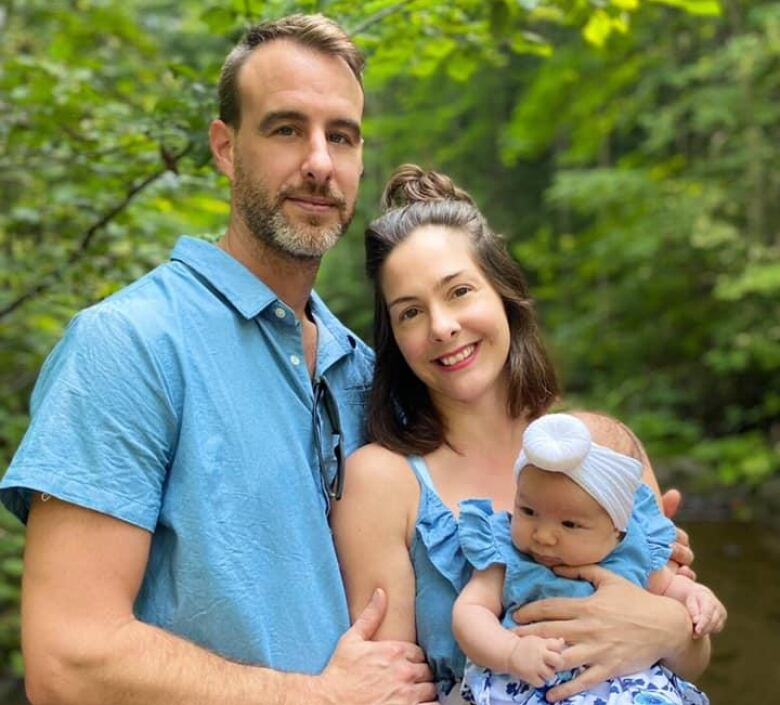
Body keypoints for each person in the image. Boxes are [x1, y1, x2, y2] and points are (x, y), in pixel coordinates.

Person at [1, 15, 437, 705]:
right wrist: (317, 697)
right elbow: (68, 657)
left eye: (342, 136)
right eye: (287, 128)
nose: (320, 161)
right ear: (226, 148)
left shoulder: (368, 373)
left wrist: (642, 581)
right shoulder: (129, 344)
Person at [331, 165, 709, 705]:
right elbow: (389, 690)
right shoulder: (381, 481)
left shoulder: (604, 449)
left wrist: (670, 628)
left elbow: (692, 659)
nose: (441, 326)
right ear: (395, 337)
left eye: (459, 291)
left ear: (503, 292)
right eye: (411, 312)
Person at [452, 412, 726, 705]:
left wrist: (698, 597)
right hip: (533, 684)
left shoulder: (634, 552)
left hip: (627, 687)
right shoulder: (508, 554)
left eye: (569, 524)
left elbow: (671, 590)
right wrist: (511, 652)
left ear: (617, 528)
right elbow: (470, 612)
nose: (543, 536)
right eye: (528, 512)